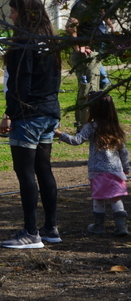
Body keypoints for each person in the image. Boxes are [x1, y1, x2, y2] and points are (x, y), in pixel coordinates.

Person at [0, 0, 62, 249]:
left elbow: (19, 84)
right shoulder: (50, 40)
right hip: (48, 111)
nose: (10, 16)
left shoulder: (24, 43)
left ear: (23, 13)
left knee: (25, 172)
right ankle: (51, 227)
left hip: (29, 115)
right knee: (43, 169)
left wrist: (9, 114)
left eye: (12, 11)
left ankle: (30, 232)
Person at [56, 91, 129, 236]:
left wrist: (59, 134)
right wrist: (126, 167)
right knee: (116, 198)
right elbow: (123, 151)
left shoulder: (92, 126)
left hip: (97, 171)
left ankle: (98, 226)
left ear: (93, 109)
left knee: (98, 198)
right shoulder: (116, 127)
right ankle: (121, 226)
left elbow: (76, 140)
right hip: (116, 170)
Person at [67, 0, 112, 130]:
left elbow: (104, 14)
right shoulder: (83, 6)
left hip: (95, 52)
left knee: (100, 85)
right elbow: (70, 26)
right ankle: (84, 126)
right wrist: (77, 47)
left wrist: (112, 27)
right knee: (88, 90)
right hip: (85, 54)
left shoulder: (96, 6)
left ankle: (93, 122)